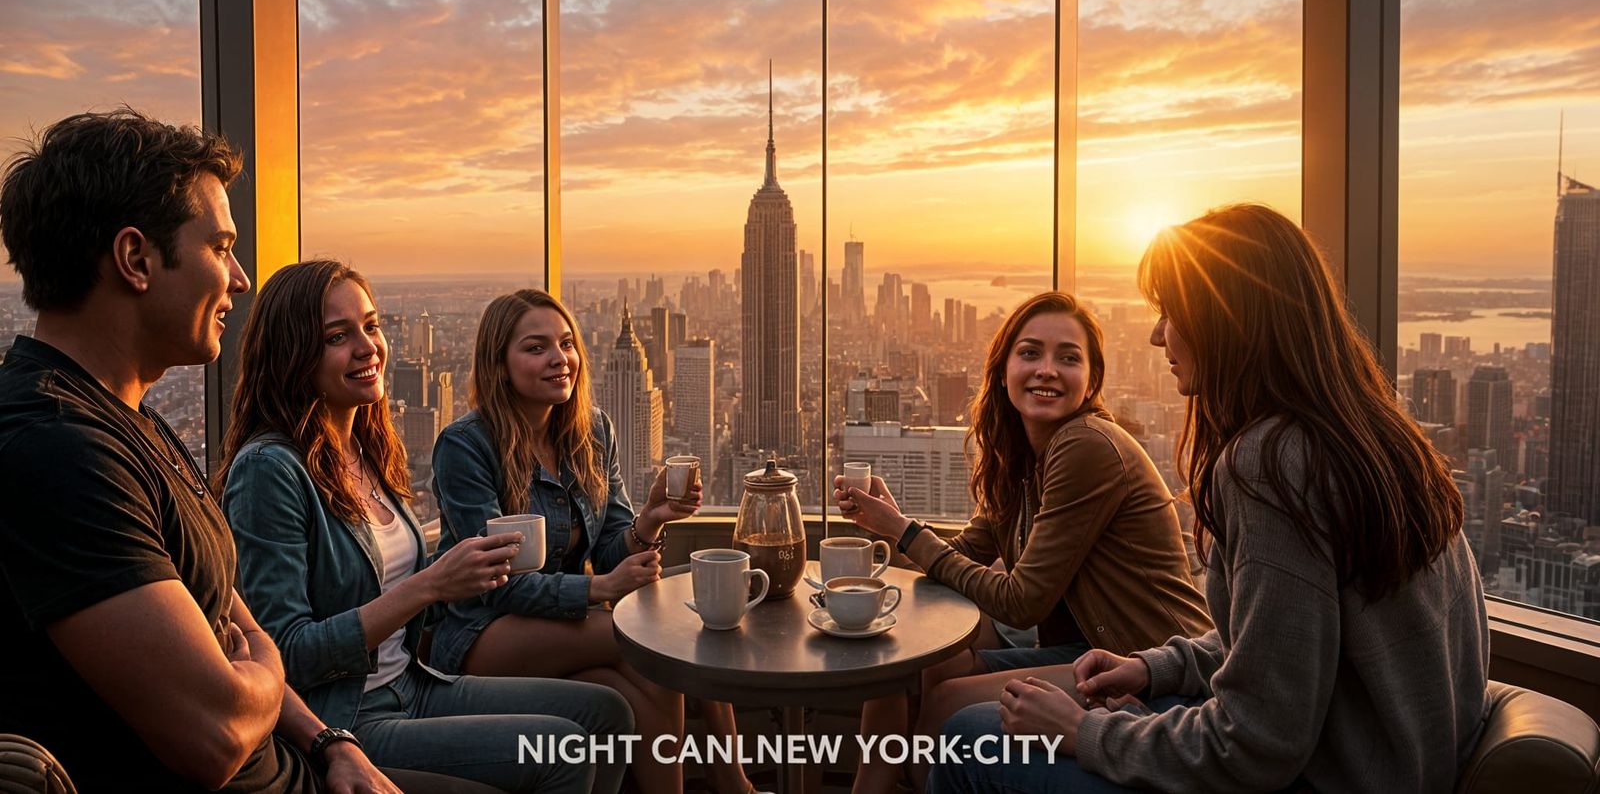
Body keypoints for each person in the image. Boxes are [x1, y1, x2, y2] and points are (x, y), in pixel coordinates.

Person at [0, 109, 490, 793]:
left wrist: (328, 742)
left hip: (310, 762)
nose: (240, 278)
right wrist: (262, 662)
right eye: (220, 247)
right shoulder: (57, 448)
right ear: (136, 259)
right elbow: (219, 731)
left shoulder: (128, 421)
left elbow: (231, 615)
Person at [930, 204, 1490, 793]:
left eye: (1171, 313)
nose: (1156, 334)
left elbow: (1257, 743)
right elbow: (1282, 637)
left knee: (971, 737)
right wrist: (1154, 667)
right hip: (1386, 767)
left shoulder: (1271, 466)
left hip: (1322, 780)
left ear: (1227, 320)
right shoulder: (1372, 437)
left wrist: (1083, 730)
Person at [219, 260, 635, 793]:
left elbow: (396, 586)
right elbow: (286, 652)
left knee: (607, 714)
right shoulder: (270, 470)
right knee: (563, 754)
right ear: (291, 353)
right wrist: (433, 584)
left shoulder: (364, 451)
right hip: (351, 716)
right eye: (337, 337)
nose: (368, 346)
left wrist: (465, 570)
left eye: (371, 326)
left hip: (414, 686)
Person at [838, 291, 1212, 794]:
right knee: (915, 653)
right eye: (1030, 353)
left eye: (1068, 358)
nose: (1047, 370)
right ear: (1004, 368)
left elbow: (1021, 601)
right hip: (1088, 649)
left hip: (1151, 665)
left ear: (1091, 380)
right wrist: (892, 523)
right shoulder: (1022, 459)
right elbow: (966, 552)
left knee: (949, 707)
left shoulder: (1088, 445)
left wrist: (904, 532)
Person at [431, 292, 756, 794]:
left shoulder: (594, 433)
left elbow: (611, 548)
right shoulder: (466, 445)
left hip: (562, 622)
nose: (559, 359)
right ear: (499, 365)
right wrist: (599, 590)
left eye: (565, 344)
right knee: (661, 640)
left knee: (617, 690)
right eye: (536, 348)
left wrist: (649, 520)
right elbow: (493, 585)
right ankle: (733, 785)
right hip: (483, 627)